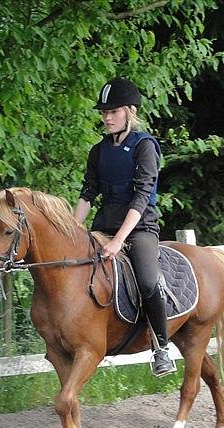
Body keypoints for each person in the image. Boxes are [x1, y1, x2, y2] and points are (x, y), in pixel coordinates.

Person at [73, 77, 176, 377]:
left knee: (147, 281)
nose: (106, 117)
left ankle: (161, 349)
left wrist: (119, 240)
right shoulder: (98, 150)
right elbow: (87, 194)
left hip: (140, 227)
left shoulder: (145, 146)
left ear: (130, 111)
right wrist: (70, 228)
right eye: (104, 112)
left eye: (113, 111)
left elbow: (143, 196)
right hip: (103, 225)